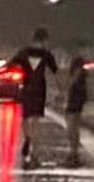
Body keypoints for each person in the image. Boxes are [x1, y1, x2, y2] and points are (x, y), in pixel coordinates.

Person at [11, 28, 62, 168]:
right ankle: (34, 152)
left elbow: (12, 65)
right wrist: (61, 91)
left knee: (25, 118)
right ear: (44, 39)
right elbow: (56, 72)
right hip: (40, 89)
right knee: (35, 121)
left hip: (26, 88)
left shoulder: (24, 52)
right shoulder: (46, 55)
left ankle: (27, 138)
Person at [64, 55, 88, 167]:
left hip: (73, 107)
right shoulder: (81, 80)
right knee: (73, 130)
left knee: (72, 130)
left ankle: (74, 153)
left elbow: (71, 92)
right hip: (75, 106)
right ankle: (74, 152)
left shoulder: (77, 81)